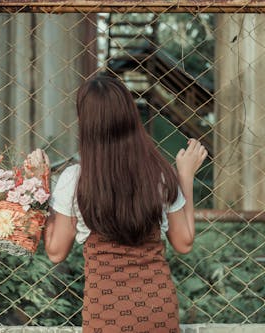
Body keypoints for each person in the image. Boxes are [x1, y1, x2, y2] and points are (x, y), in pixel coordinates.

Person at [44, 74, 207, 333]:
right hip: (158, 311)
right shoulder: (158, 174)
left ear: (85, 123)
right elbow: (184, 242)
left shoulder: (74, 179)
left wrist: (41, 191)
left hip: (105, 315)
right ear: (131, 117)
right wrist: (184, 176)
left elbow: (55, 252)